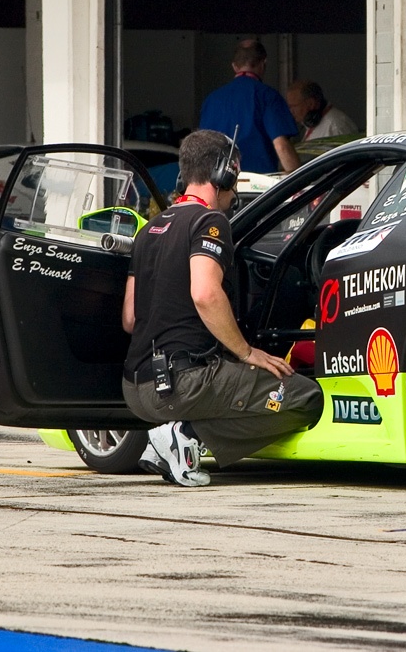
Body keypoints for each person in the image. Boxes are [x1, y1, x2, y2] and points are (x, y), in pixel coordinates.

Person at [121, 129, 323, 486]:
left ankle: (168, 443)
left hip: (137, 390)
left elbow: (130, 318)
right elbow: (205, 293)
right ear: (223, 173)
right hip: (185, 384)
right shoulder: (209, 222)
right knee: (304, 398)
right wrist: (246, 353)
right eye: (235, 173)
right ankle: (187, 435)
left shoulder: (149, 229)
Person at [199, 40, 300, 174]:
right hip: (258, 186)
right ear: (263, 64)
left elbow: (201, 149)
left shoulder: (211, 100)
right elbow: (281, 145)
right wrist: (301, 183)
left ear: (234, 67)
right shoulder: (268, 96)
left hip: (219, 185)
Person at [286, 79, 359, 141]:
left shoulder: (335, 126)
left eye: (293, 106)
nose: (291, 111)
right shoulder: (312, 123)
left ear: (311, 104)